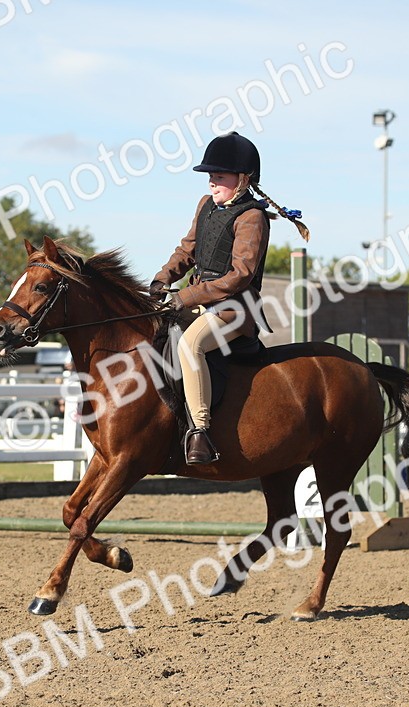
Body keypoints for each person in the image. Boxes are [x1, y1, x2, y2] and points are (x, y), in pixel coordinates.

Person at [149, 131, 309, 465]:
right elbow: (187, 249)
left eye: (219, 176)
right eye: (210, 176)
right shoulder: (206, 205)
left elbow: (240, 275)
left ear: (242, 179)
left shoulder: (252, 217)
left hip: (235, 309)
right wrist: (163, 277)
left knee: (190, 344)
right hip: (201, 303)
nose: (211, 182)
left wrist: (187, 296)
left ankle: (200, 434)